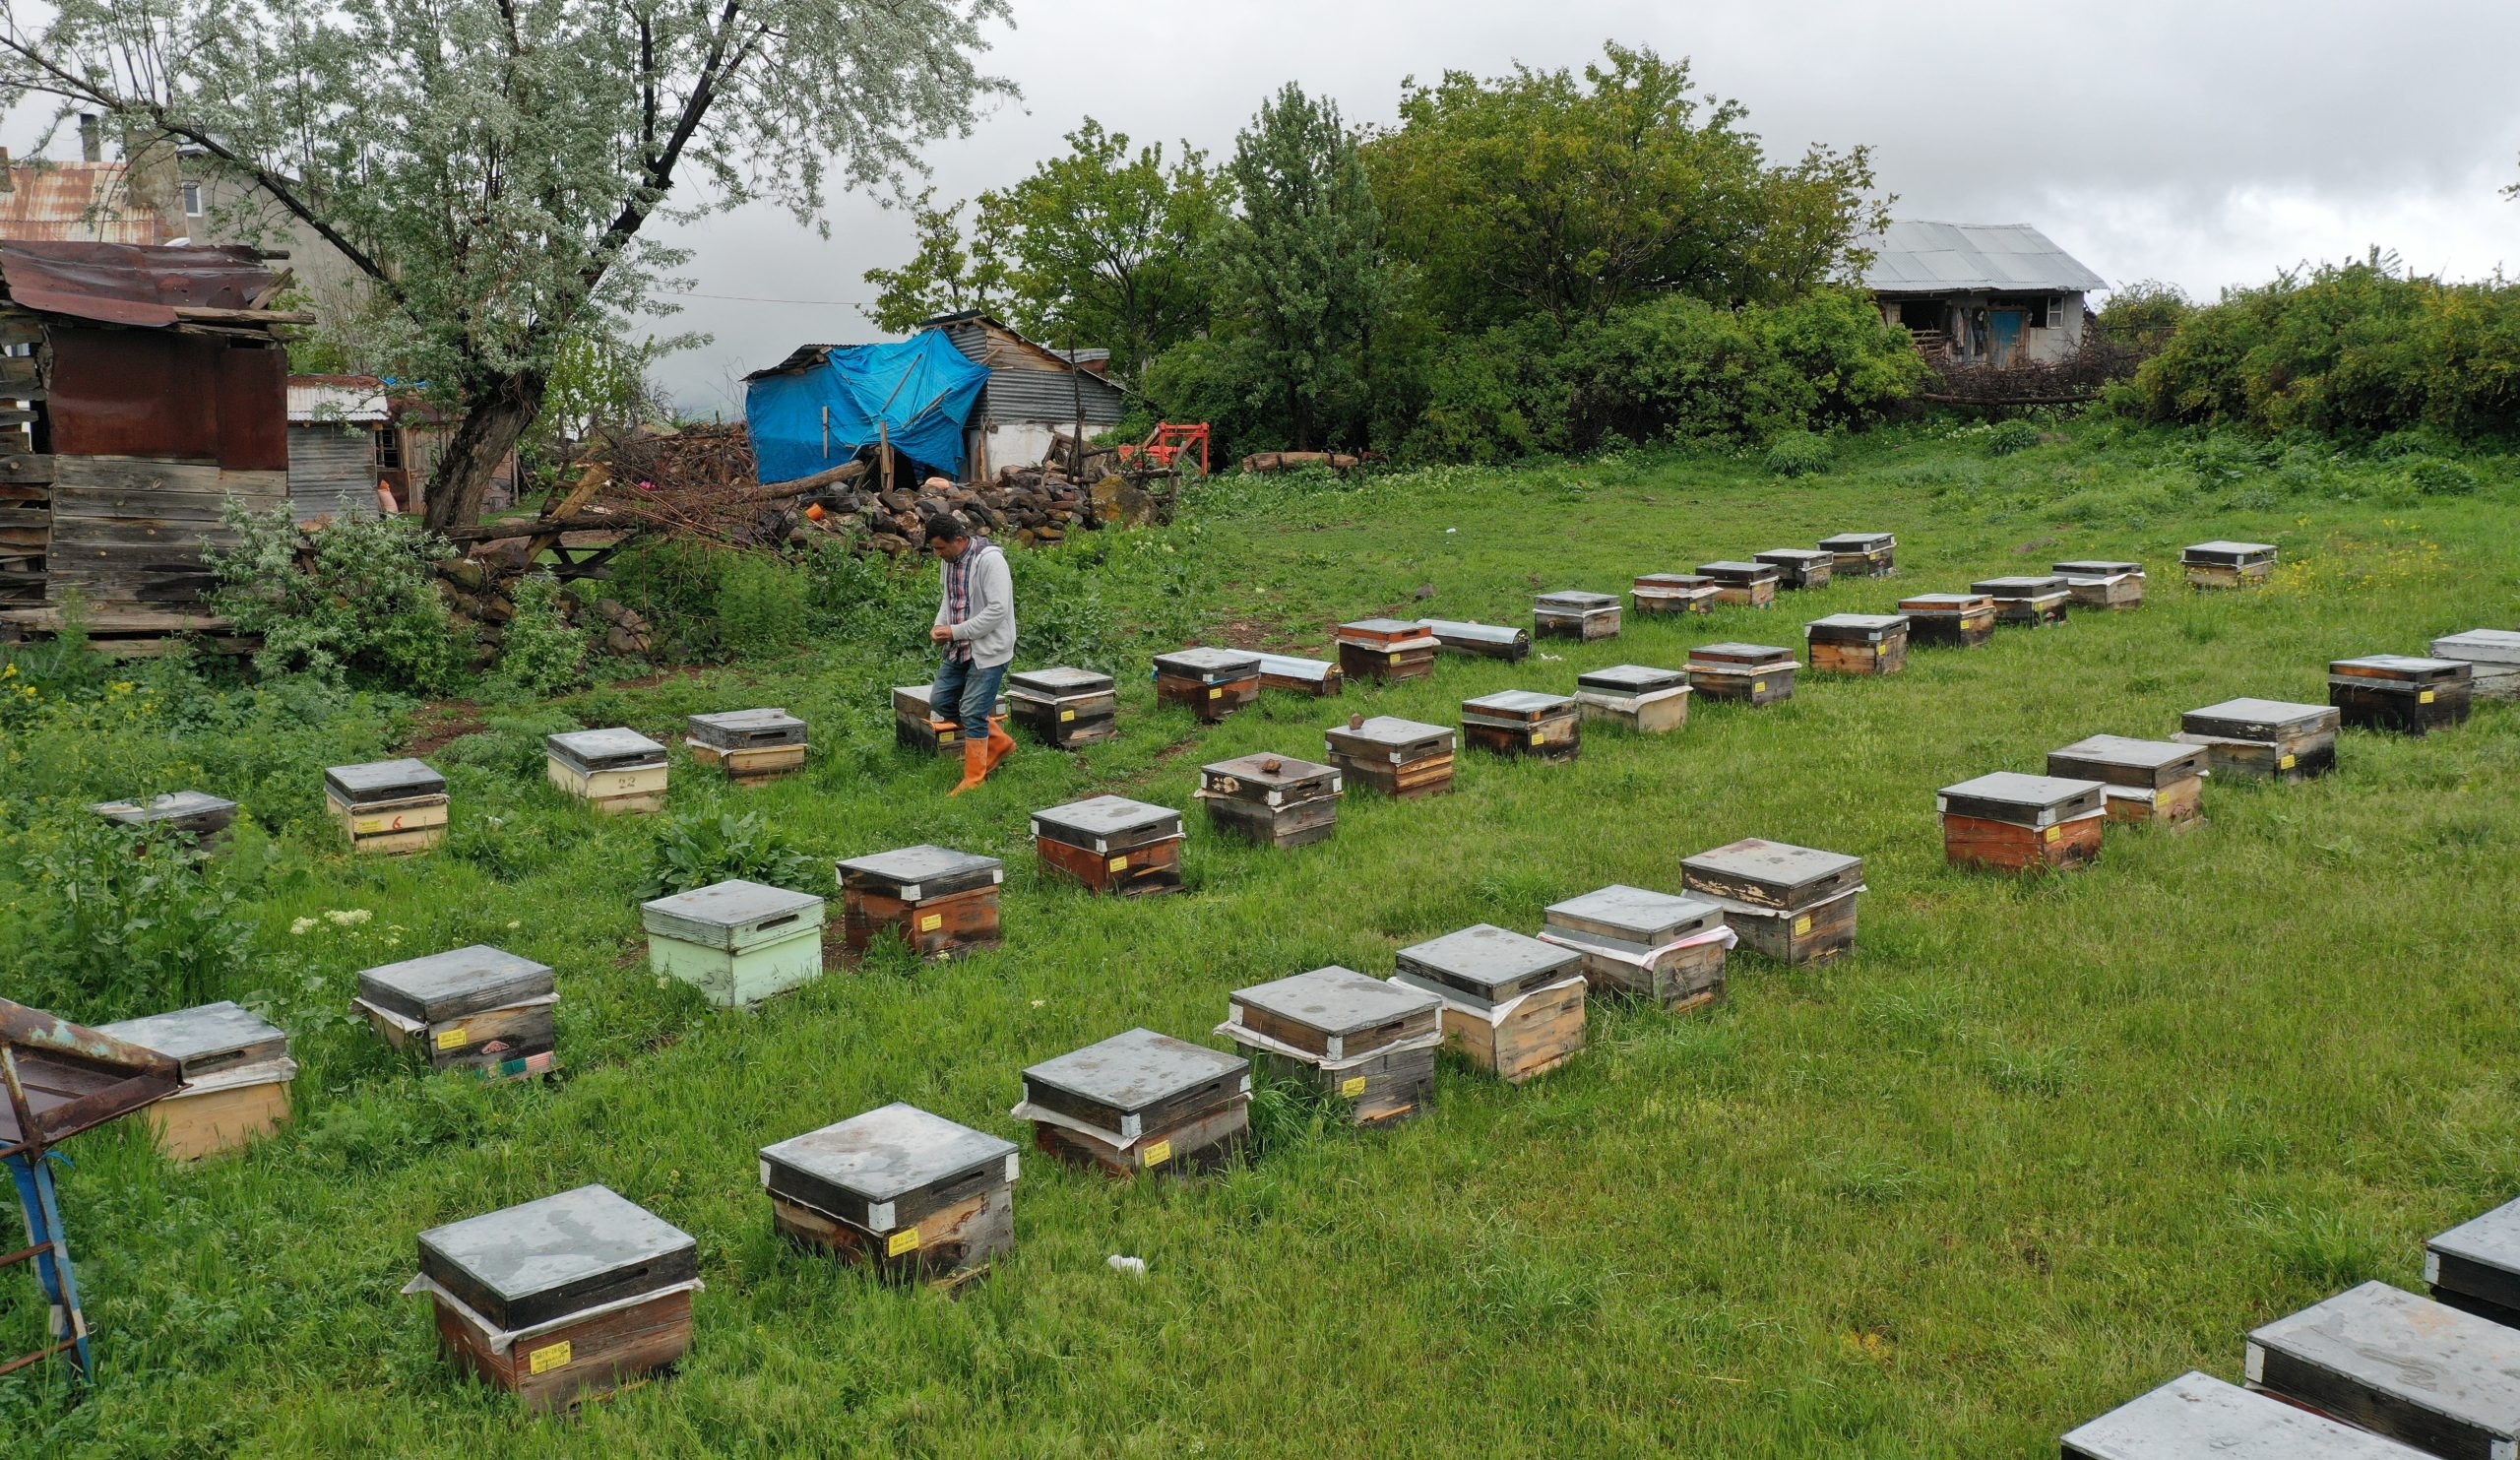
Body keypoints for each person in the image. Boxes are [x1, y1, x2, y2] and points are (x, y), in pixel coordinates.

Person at [926, 512, 1017, 794]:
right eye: (935, 549)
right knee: (941, 701)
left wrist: (954, 632)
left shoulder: (990, 561)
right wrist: (941, 625)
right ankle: (999, 742)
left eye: (941, 548)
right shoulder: (949, 562)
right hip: (960, 648)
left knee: (973, 712)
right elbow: (950, 598)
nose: (938, 554)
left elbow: (997, 610)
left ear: (960, 540)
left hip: (989, 650)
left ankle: (974, 779)